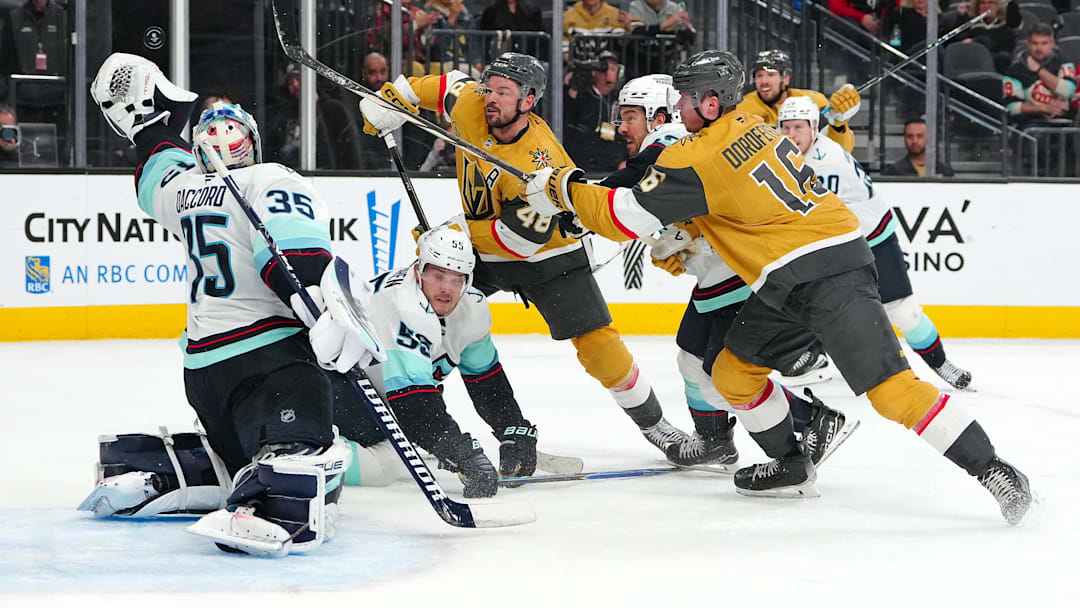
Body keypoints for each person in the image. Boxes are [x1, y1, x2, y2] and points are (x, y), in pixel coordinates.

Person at [520, 50, 1032, 525]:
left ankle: (994, 470)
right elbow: (738, 201)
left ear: (710, 102)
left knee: (891, 392)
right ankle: (793, 463)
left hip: (827, 271)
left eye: (685, 96)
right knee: (730, 375)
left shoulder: (697, 156)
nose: (678, 105)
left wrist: (560, 189)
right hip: (788, 279)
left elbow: (620, 215)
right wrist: (692, 235)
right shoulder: (757, 124)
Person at [86, 53, 388, 555]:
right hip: (269, 367)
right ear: (254, 145)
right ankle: (276, 493)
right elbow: (292, 256)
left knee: (247, 444)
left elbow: (154, 159)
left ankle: (202, 464)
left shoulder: (182, 191)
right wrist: (319, 307)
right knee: (312, 453)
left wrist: (147, 118)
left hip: (203, 376)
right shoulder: (273, 178)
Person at [357, 52, 690, 454]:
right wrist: (392, 99)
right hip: (483, 248)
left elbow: (516, 241)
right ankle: (406, 400)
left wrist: (454, 232)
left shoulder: (540, 161)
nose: (490, 98)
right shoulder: (472, 104)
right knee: (425, 302)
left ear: (528, 101)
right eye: (489, 88)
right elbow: (443, 85)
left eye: (503, 92)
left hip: (549, 256)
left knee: (598, 345)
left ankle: (655, 424)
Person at [601, 75, 848, 469]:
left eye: (630, 116)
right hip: (716, 276)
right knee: (691, 360)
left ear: (658, 115)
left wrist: (569, 197)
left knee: (721, 375)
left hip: (736, 275)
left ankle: (812, 420)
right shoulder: (674, 146)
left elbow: (622, 194)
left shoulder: (666, 145)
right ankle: (714, 441)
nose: (622, 126)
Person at [779, 96, 971, 389]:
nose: (791, 135)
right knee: (811, 296)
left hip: (872, 238)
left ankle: (941, 363)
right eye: (786, 128)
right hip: (838, 241)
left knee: (902, 311)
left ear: (814, 129)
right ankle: (814, 352)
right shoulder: (793, 153)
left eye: (798, 128)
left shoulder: (826, 162)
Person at [736, 49, 861, 154]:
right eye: (759, 75)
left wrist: (837, 126)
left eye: (771, 75)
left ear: (786, 79)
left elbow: (842, 151)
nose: (764, 81)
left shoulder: (814, 102)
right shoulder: (742, 109)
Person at [1003, 23, 1078, 124]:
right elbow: (1011, 106)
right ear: (1028, 44)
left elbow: (1067, 90)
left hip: (1064, 124)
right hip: (1030, 125)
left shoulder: (1064, 64)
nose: (1039, 48)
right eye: (1035, 43)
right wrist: (1042, 108)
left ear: (1052, 43)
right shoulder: (1015, 70)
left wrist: (1039, 70)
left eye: (1044, 43)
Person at [564, 51, 626, 173]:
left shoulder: (621, 100)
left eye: (612, 69)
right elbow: (567, 122)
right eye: (603, 68)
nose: (607, 73)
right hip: (583, 161)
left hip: (612, 162)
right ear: (595, 72)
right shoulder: (582, 96)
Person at [626, 0, 696, 77]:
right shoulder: (636, 5)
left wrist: (686, 26)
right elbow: (636, 31)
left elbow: (690, 37)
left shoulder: (674, 8)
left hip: (667, 58)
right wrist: (665, 25)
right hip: (641, 57)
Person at [882, 117, 956, 176]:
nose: (914, 141)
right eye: (910, 136)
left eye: (919, 136)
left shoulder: (944, 171)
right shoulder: (894, 171)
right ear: (904, 138)